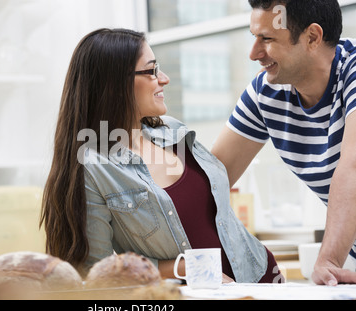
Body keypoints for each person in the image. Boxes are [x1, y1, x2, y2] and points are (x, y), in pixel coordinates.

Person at [40, 28, 283, 284]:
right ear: (113, 84)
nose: (164, 78)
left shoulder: (173, 132)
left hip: (261, 276)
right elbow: (96, 272)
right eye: (152, 71)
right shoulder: (92, 169)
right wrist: (188, 268)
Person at [211, 0, 356, 285]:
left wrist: (326, 261)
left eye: (267, 39)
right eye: (254, 37)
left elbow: (352, 170)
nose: (253, 54)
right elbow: (211, 178)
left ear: (312, 37)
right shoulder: (265, 92)